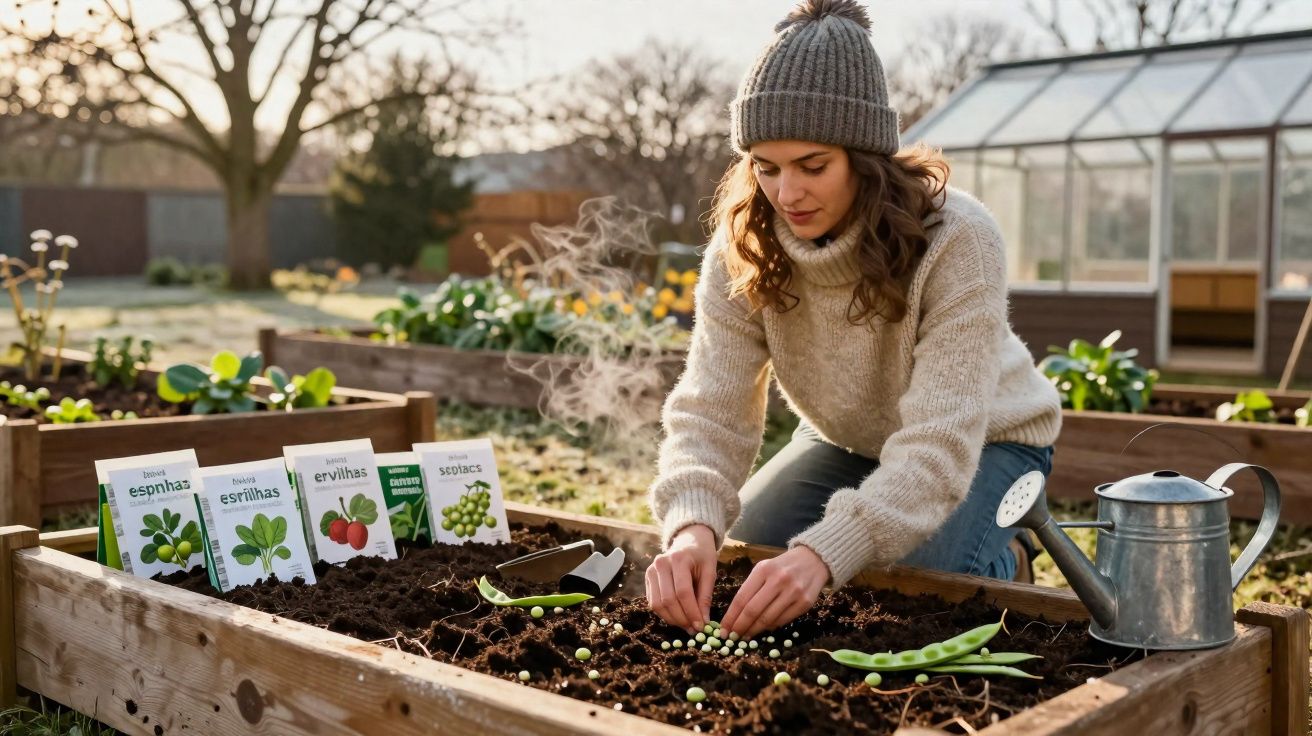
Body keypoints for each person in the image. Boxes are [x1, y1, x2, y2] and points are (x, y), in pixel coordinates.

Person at [644, 0, 1063, 639]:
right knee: (749, 553)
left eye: (813, 166)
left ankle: (1010, 556)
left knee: (917, 586)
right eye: (766, 167)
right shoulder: (744, 249)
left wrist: (823, 552)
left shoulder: (957, 239)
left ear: (865, 159)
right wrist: (691, 524)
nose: (787, 194)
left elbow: (940, 441)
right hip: (844, 441)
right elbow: (711, 409)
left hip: (988, 440)